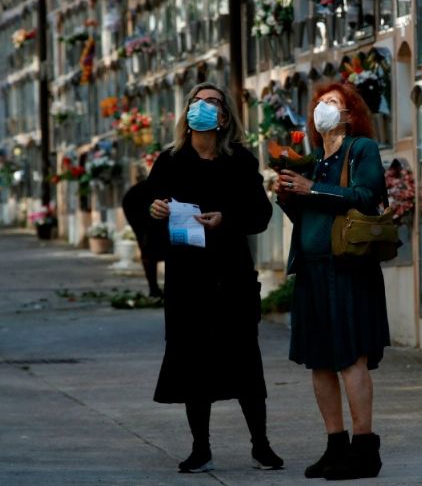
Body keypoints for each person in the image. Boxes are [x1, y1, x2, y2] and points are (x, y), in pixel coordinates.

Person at [146, 82, 283, 473]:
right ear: (187, 112)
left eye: (213, 103)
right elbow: (150, 210)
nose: (204, 108)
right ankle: (200, 447)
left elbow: (260, 215)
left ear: (224, 117)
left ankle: (261, 444)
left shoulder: (239, 161)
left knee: (245, 362)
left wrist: (226, 219)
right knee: (193, 364)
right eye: (198, 102)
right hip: (188, 281)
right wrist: (155, 210)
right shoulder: (170, 161)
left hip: (232, 277)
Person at [274, 82, 390, 480]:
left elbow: (367, 195)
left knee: (349, 357)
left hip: (347, 270)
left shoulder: (360, 150)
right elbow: (310, 216)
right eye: (320, 102)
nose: (323, 108)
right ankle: (335, 443)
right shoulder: (313, 160)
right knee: (319, 361)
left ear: (349, 114)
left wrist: (312, 188)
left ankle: (364, 448)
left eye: (333, 103)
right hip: (312, 270)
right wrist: (290, 196)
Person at [121, 180, 163, 298]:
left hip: (150, 205)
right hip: (140, 206)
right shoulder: (138, 194)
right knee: (148, 247)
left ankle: (154, 289)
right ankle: (153, 289)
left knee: (149, 247)